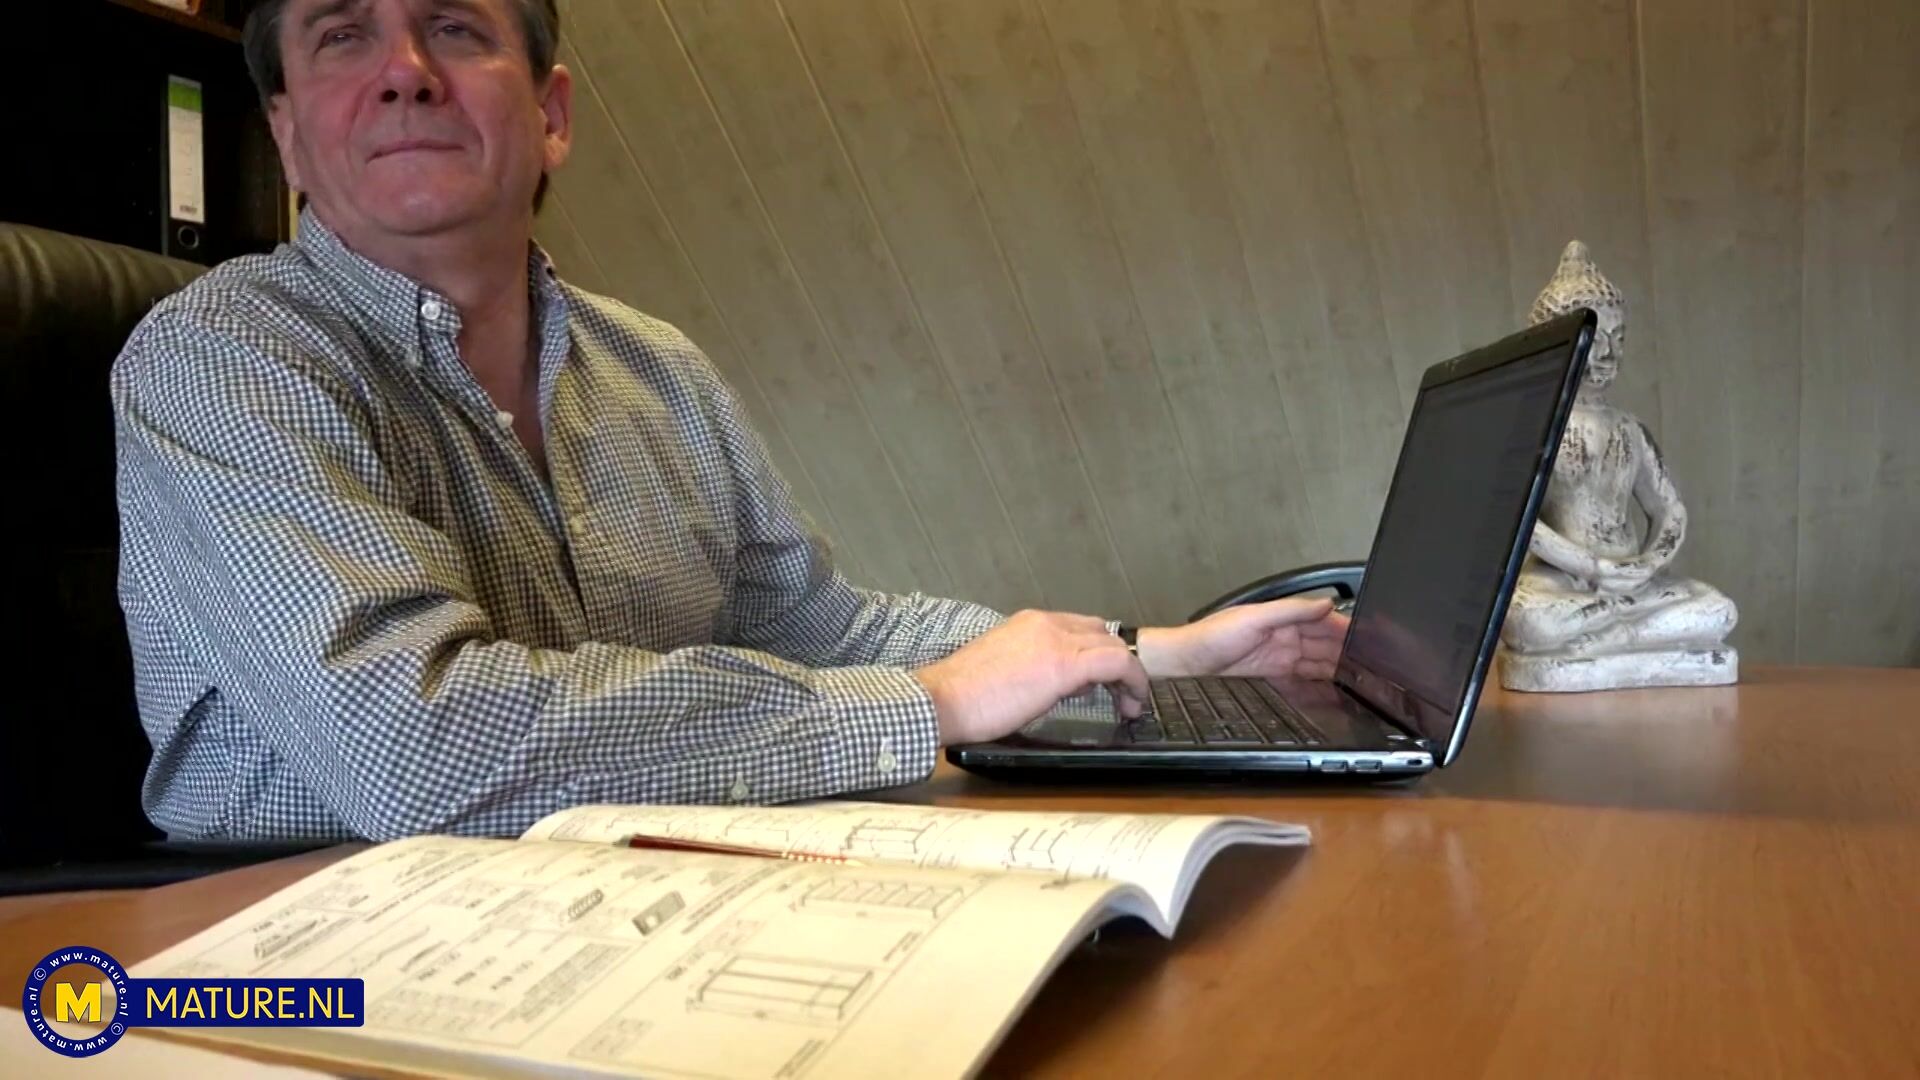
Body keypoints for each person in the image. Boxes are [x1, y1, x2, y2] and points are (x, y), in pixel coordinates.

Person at [112, 0, 1347, 843]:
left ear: (551, 114)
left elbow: (828, 630)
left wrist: (1148, 653)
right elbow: (412, 744)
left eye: (455, 26)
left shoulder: (657, 367)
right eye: (341, 34)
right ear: (286, 135)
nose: (403, 69)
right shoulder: (219, 358)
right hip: (302, 933)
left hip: (650, 895)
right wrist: (930, 709)